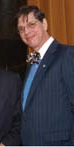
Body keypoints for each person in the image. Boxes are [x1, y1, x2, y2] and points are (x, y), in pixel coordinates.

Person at [16, 5, 74, 145]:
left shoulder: (67, 54)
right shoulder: (31, 62)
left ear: (45, 24)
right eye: (21, 29)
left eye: (31, 24)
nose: (26, 32)